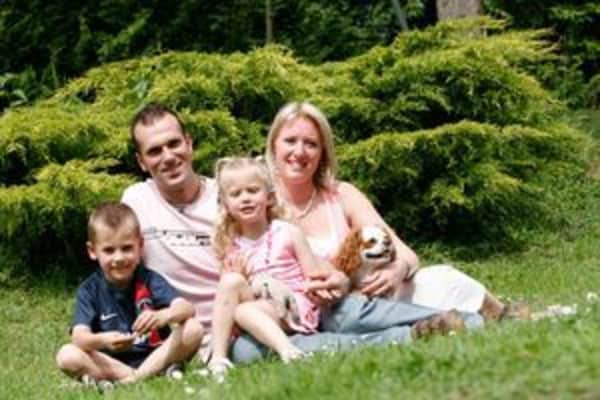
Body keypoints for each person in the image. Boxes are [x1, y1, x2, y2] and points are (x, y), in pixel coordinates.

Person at [122, 103, 476, 365]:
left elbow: (286, 245)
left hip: (278, 304)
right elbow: (115, 263)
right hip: (224, 331)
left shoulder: (229, 195)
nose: (168, 156)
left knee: (339, 310)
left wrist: (336, 277)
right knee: (249, 353)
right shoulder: (136, 202)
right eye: (154, 151)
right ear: (141, 162)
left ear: (189, 143)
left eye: (174, 144)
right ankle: (406, 336)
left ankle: (458, 319)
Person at [262, 101, 528, 326]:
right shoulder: (259, 202)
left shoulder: (342, 194)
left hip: (378, 296)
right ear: (274, 145)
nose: (299, 152)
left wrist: (398, 269)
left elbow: (406, 254)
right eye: (290, 141)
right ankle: (461, 323)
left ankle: (504, 317)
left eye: (311, 144)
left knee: (444, 279)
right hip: (326, 313)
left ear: (322, 153)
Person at [55, 202, 204, 389]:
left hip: (155, 357)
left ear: (140, 245)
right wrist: (104, 341)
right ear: (92, 251)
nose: (118, 258)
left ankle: (126, 382)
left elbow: (186, 309)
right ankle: (142, 378)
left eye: (126, 248)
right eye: (109, 250)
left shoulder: (150, 279)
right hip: (112, 364)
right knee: (67, 355)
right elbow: (79, 338)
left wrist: (162, 316)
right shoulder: (89, 290)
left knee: (193, 329)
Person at [208, 156, 323, 379]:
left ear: (269, 197)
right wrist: (238, 276)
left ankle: (289, 352)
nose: (245, 198)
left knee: (243, 311)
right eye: (236, 194)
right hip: (257, 306)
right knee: (231, 282)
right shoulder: (231, 246)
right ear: (226, 205)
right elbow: (227, 298)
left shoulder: (287, 232)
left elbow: (313, 277)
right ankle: (218, 358)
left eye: (252, 191)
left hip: (292, 305)